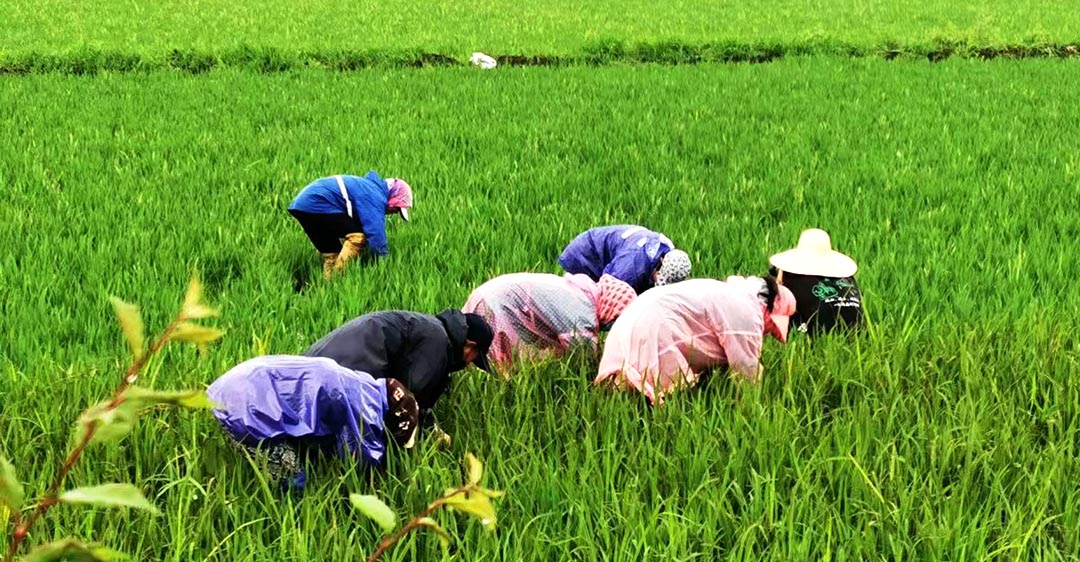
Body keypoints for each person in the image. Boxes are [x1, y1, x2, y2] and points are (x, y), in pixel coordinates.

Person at [206, 355, 419, 489]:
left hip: (234, 386)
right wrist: (382, 480)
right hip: (247, 408)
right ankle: (290, 523)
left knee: (299, 453)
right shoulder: (365, 410)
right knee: (293, 481)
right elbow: (361, 462)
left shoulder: (362, 384)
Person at [594, 276, 796, 405]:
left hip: (636, 315)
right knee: (672, 404)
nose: (769, 333)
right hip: (657, 325)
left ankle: (621, 408)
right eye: (773, 326)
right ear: (768, 308)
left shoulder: (731, 294)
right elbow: (745, 367)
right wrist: (758, 405)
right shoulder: (746, 313)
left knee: (621, 393)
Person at [303, 308, 494, 420]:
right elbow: (408, 399)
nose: (469, 363)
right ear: (470, 346)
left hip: (317, 362)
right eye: (474, 357)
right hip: (344, 372)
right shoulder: (438, 343)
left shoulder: (429, 328)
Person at [463, 273, 637, 373]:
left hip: (492, 295)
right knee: (504, 364)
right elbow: (584, 360)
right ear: (612, 308)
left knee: (475, 350)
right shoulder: (583, 313)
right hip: (497, 304)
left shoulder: (582, 293)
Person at [287, 171, 413, 279]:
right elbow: (375, 233)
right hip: (319, 203)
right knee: (357, 237)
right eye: (396, 209)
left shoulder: (367, 187)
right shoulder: (374, 194)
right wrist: (385, 263)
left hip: (302, 206)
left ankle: (327, 287)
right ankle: (337, 279)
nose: (392, 213)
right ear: (392, 197)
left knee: (332, 254)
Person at [768, 228, 862, 336]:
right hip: (860, 331)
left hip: (818, 335)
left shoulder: (791, 280)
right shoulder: (849, 279)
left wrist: (780, 279)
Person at [558, 225, 691, 294]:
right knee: (587, 300)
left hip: (610, 252)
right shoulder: (631, 266)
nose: (657, 280)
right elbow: (608, 290)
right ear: (660, 262)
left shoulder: (668, 251)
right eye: (659, 277)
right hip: (586, 255)